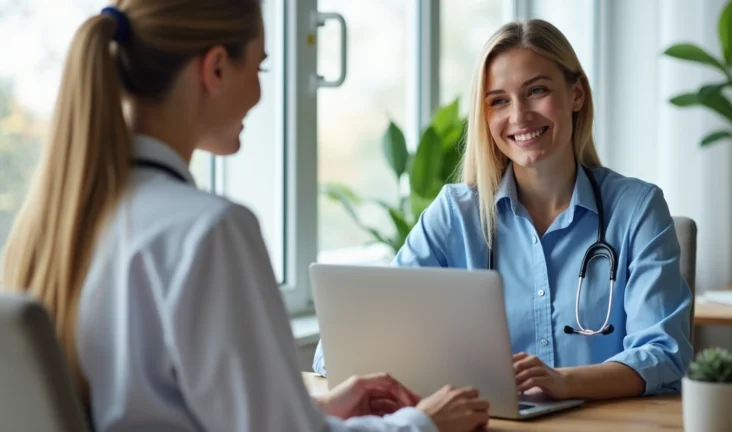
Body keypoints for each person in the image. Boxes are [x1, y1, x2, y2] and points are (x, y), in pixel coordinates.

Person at [0, 1, 491, 431]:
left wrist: (310, 410)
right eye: (260, 68)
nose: (258, 94)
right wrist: (423, 423)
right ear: (215, 69)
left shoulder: (51, 226)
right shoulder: (206, 230)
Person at [314, 18, 693, 400]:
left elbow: (663, 355)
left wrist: (564, 382)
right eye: (499, 101)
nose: (519, 115)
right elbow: (342, 350)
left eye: (537, 90)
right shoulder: (455, 216)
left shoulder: (637, 210)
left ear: (576, 94)